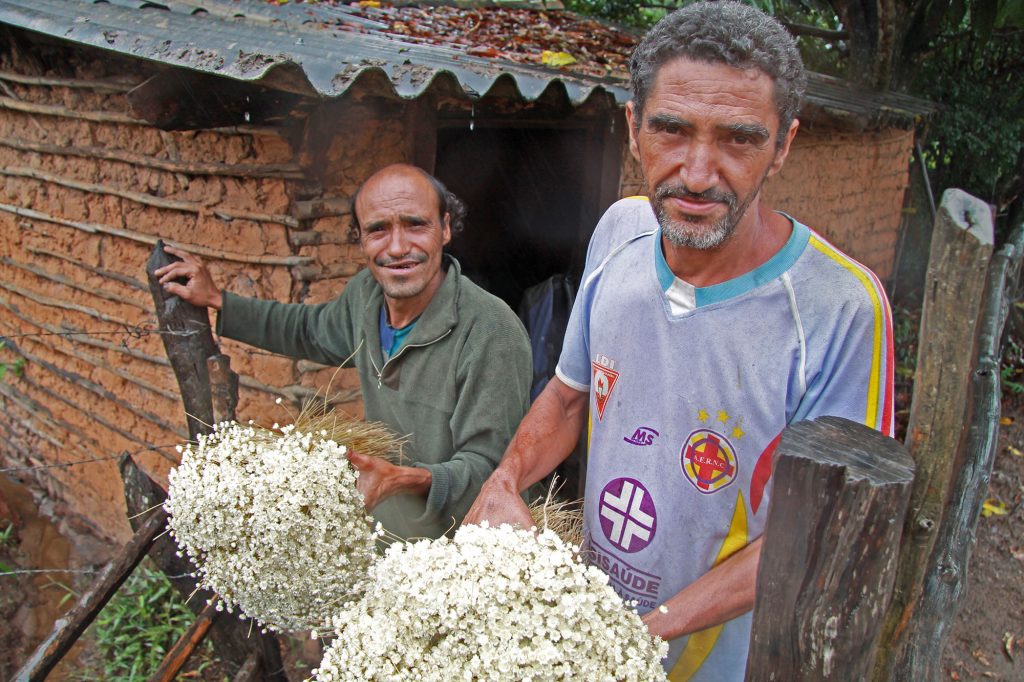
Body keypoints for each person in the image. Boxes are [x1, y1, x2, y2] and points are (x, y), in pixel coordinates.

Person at [463, 3, 894, 679]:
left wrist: (640, 636)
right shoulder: (619, 235)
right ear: (633, 129)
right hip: (592, 633)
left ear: (783, 144)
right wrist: (505, 478)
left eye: (739, 139)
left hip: (720, 660)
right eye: (671, 130)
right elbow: (569, 396)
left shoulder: (841, 307)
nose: (697, 173)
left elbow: (813, 531)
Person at [156, 164, 532, 542]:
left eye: (416, 224)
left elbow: (494, 472)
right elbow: (308, 330)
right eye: (378, 230)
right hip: (386, 534)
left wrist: (402, 479)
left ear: (445, 228)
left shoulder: (490, 331)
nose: (398, 247)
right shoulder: (366, 298)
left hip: (460, 554)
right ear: (359, 240)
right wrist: (219, 300)